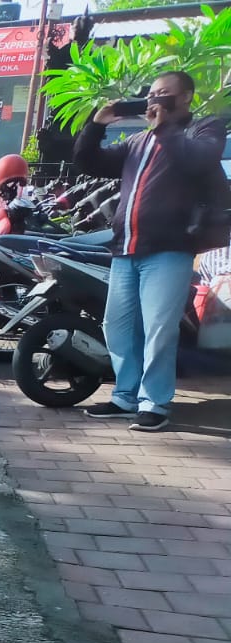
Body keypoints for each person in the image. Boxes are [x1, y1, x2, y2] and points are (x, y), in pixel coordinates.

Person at [76, 70, 231, 433]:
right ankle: (125, 397)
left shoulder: (204, 129)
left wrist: (165, 129)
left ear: (186, 98)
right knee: (118, 326)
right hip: (126, 250)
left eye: (164, 94)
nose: (154, 100)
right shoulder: (137, 142)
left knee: (159, 330)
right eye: (151, 94)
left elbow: (198, 161)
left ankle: (154, 403)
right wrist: (96, 125)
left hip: (170, 249)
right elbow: (90, 163)